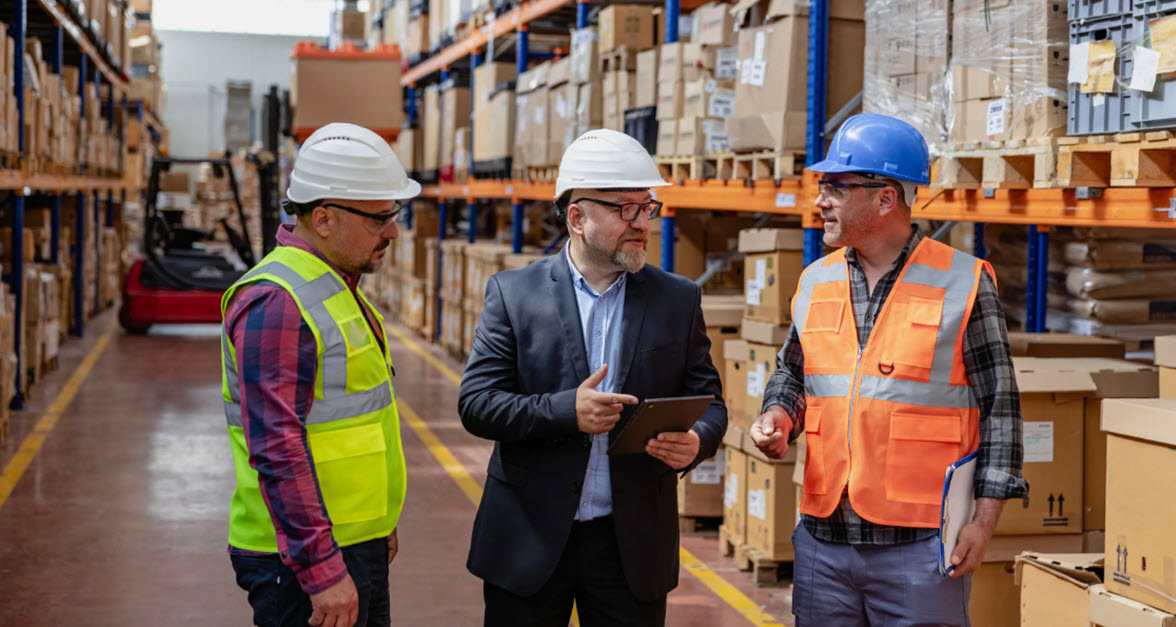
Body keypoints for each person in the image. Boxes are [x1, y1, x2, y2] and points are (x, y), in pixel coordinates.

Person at [748, 113, 1029, 626]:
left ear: (884, 199)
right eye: (821, 187)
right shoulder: (815, 281)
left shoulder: (963, 283)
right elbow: (793, 374)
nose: (820, 201)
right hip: (822, 542)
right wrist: (777, 418)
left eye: (835, 187)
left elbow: (1002, 412)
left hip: (919, 548)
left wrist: (983, 523)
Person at [457, 128, 728, 626]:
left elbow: (710, 401)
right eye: (625, 209)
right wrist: (566, 411)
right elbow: (477, 403)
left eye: (647, 208)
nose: (642, 222)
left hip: (631, 547)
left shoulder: (677, 299)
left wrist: (698, 441)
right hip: (531, 541)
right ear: (577, 217)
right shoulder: (515, 295)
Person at [221, 122, 422, 627]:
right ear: (325, 218)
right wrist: (322, 569)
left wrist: (379, 524)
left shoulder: (334, 285)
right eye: (380, 218)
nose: (393, 231)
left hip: (353, 540)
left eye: (393, 216)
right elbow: (277, 445)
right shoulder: (279, 302)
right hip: (302, 561)